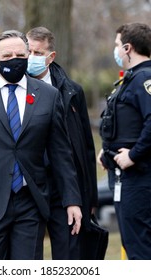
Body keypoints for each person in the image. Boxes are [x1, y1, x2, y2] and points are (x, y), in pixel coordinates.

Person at [0, 29, 82, 260]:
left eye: (20, 55)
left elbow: (61, 153)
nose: (14, 61)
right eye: (7, 56)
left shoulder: (48, 95)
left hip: (30, 201)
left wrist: (72, 200)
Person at [26, 27, 98, 260]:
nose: (30, 57)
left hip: (64, 185)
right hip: (29, 184)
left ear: (51, 56)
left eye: (37, 52)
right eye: (28, 50)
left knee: (69, 255)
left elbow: (86, 146)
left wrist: (90, 198)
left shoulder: (71, 90)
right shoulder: (13, 88)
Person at [98, 22, 151, 259]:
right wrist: (107, 150)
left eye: (118, 45)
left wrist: (133, 154)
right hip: (125, 176)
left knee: (139, 247)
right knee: (132, 244)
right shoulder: (133, 79)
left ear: (128, 48)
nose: (116, 50)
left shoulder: (144, 79)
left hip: (139, 177)